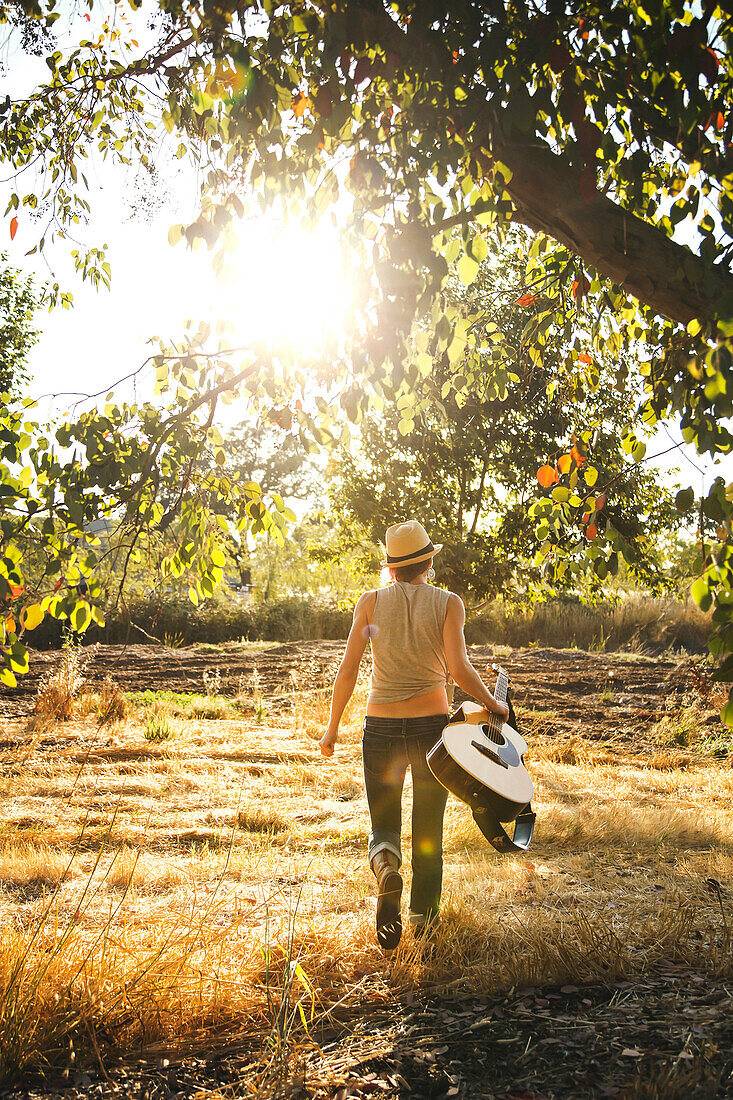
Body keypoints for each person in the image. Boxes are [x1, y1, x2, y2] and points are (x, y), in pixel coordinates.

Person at [319, 519, 509, 950]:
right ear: (427, 561)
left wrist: (332, 728)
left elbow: (348, 670)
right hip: (430, 732)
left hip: (380, 730)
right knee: (429, 832)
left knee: (383, 827)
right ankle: (423, 924)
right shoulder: (449, 603)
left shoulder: (368, 603)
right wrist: (494, 705)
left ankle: (386, 869)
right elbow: (459, 670)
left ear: (391, 566)